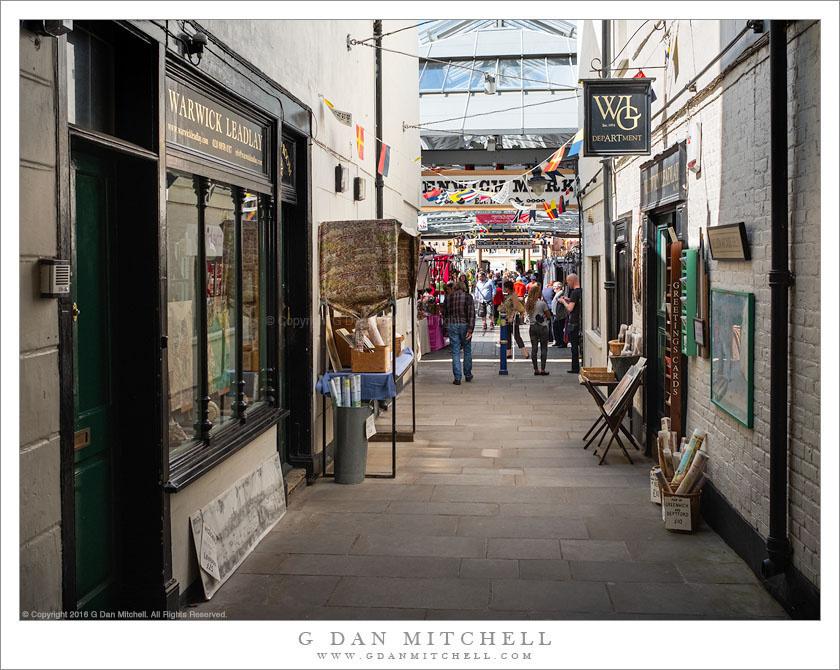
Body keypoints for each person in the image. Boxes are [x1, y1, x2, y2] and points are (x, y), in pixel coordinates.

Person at [441, 280, 475, 384]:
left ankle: (457, 378)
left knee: (455, 351)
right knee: (467, 350)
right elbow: (471, 314)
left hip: (453, 325)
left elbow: (444, 314)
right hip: (465, 325)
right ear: (464, 288)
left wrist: (446, 326)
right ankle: (468, 375)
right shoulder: (468, 297)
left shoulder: (448, 298)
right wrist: (470, 329)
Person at [524, 284, 551, 376]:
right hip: (542, 326)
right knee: (544, 348)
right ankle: (543, 369)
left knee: (534, 348)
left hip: (532, 327)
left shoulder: (528, 304)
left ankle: (536, 369)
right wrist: (543, 315)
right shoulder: (542, 304)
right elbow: (548, 315)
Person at [558, 273, 581, 373]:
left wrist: (563, 302)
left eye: (568, 281)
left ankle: (575, 368)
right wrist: (568, 299)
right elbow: (575, 303)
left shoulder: (574, 292)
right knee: (576, 345)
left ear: (572, 281)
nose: (567, 284)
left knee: (574, 346)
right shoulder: (580, 291)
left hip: (574, 321)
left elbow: (570, 308)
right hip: (578, 320)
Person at [501, 280, 528, 359]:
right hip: (506, 317)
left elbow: (515, 307)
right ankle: (508, 353)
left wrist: (512, 316)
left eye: (505, 287)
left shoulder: (513, 295)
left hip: (512, 318)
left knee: (516, 335)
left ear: (507, 288)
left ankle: (525, 353)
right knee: (507, 336)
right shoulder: (508, 295)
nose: (504, 289)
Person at [551, 282, 569, 348]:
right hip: (556, 314)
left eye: (554, 287)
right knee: (556, 328)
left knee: (560, 329)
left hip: (560, 315)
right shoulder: (556, 294)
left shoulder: (561, 293)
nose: (553, 288)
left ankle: (562, 342)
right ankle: (558, 341)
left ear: (558, 287)